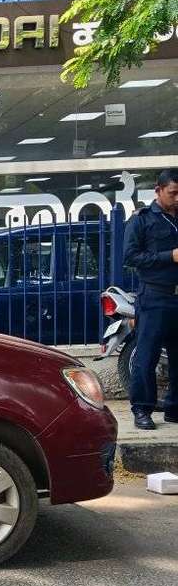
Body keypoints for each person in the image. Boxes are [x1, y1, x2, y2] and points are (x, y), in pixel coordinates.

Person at [123, 168, 178, 430]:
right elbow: (131, 257)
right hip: (155, 296)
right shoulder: (142, 220)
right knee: (147, 356)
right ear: (158, 190)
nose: (177, 199)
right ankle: (142, 410)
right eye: (173, 193)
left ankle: (174, 408)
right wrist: (169, 257)